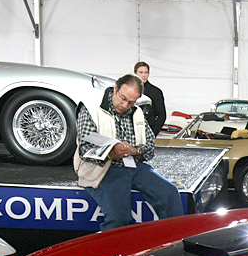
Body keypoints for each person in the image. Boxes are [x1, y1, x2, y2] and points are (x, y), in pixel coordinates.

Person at [74, 74, 183, 231]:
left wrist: (135, 150)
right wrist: (111, 153)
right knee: (119, 218)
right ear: (115, 89)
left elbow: (150, 148)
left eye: (131, 102)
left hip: (132, 165)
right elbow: (85, 148)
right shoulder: (91, 108)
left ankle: (173, 244)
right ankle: (113, 253)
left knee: (170, 194)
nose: (124, 105)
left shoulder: (137, 112)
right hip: (103, 169)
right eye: (122, 98)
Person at [134, 61, 167, 136]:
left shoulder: (155, 92)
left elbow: (162, 115)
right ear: (136, 73)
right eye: (141, 72)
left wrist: (153, 133)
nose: (144, 75)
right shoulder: (130, 90)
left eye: (146, 72)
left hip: (148, 130)